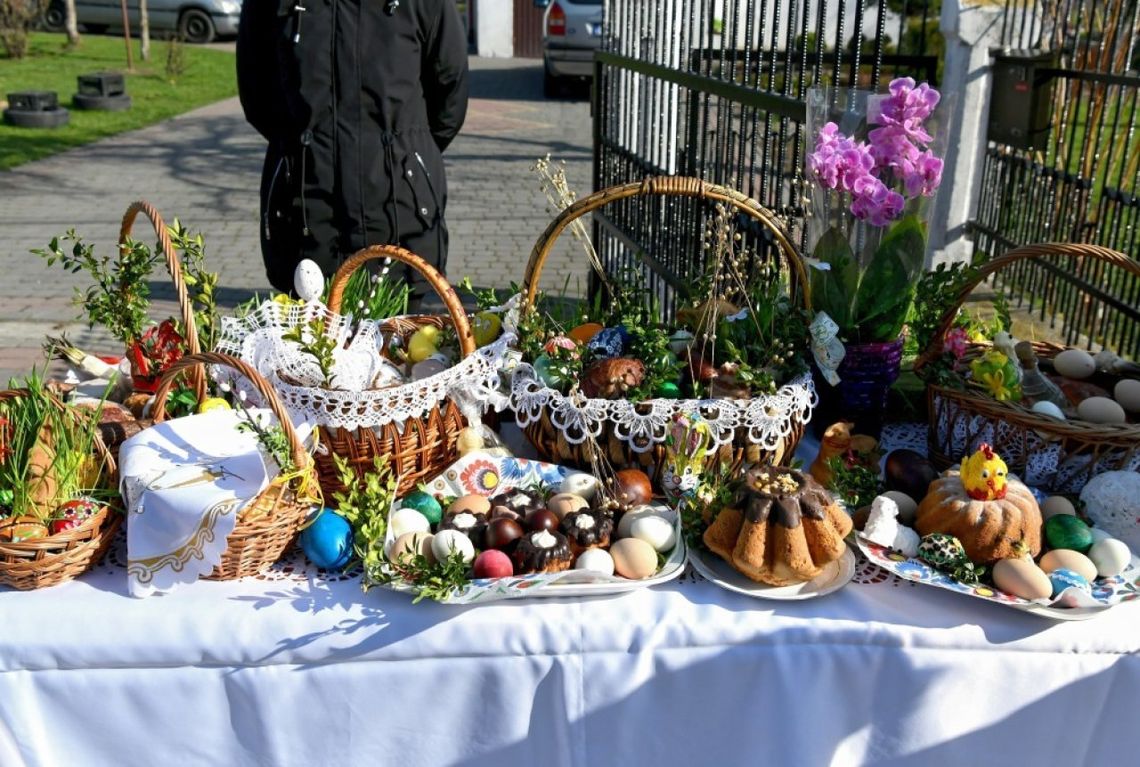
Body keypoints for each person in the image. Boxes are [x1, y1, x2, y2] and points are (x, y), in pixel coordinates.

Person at [236, 0, 469, 300]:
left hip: (400, 218)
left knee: (404, 344)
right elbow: (258, 96)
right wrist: (304, 147)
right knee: (308, 343)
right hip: (306, 221)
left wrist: (405, 154)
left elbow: (450, 95)